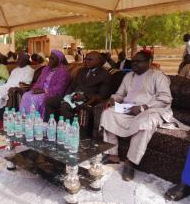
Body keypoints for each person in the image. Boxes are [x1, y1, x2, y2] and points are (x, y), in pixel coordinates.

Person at [100, 51, 172, 181]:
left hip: (151, 109)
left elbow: (165, 98)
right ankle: (112, 155)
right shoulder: (128, 76)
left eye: (139, 61)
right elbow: (120, 94)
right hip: (129, 107)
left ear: (149, 62)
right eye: (133, 61)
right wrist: (113, 99)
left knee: (145, 122)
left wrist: (143, 107)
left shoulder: (158, 76)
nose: (135, 64)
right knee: (108, 113)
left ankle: (130, 162)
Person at [44, 51, 110, 122]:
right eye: (86, 59)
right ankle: (51, 125)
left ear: (99, 61)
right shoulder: (82, 71)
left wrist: (85, 97)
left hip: (87, 101)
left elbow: (102, 95)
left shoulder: (105, 75)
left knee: (65, 106)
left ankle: (67, 129)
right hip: (72, 97)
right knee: (49, 101)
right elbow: (72, 85)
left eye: (90, 59)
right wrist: (67, 96)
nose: (86, 61)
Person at [20, 50, 70, 118]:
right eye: (50, 57)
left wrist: (44, 91)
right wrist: (36, 88)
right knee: (26, 95)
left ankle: (36, 121)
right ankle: (24, 119)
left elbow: (59, 88)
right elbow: (39, 82)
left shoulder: (63, 72)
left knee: (35, 99)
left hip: (51, 93)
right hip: (40, 91)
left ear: (59, 61)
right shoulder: (46, 69)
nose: (50, 60)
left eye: (53, 58)